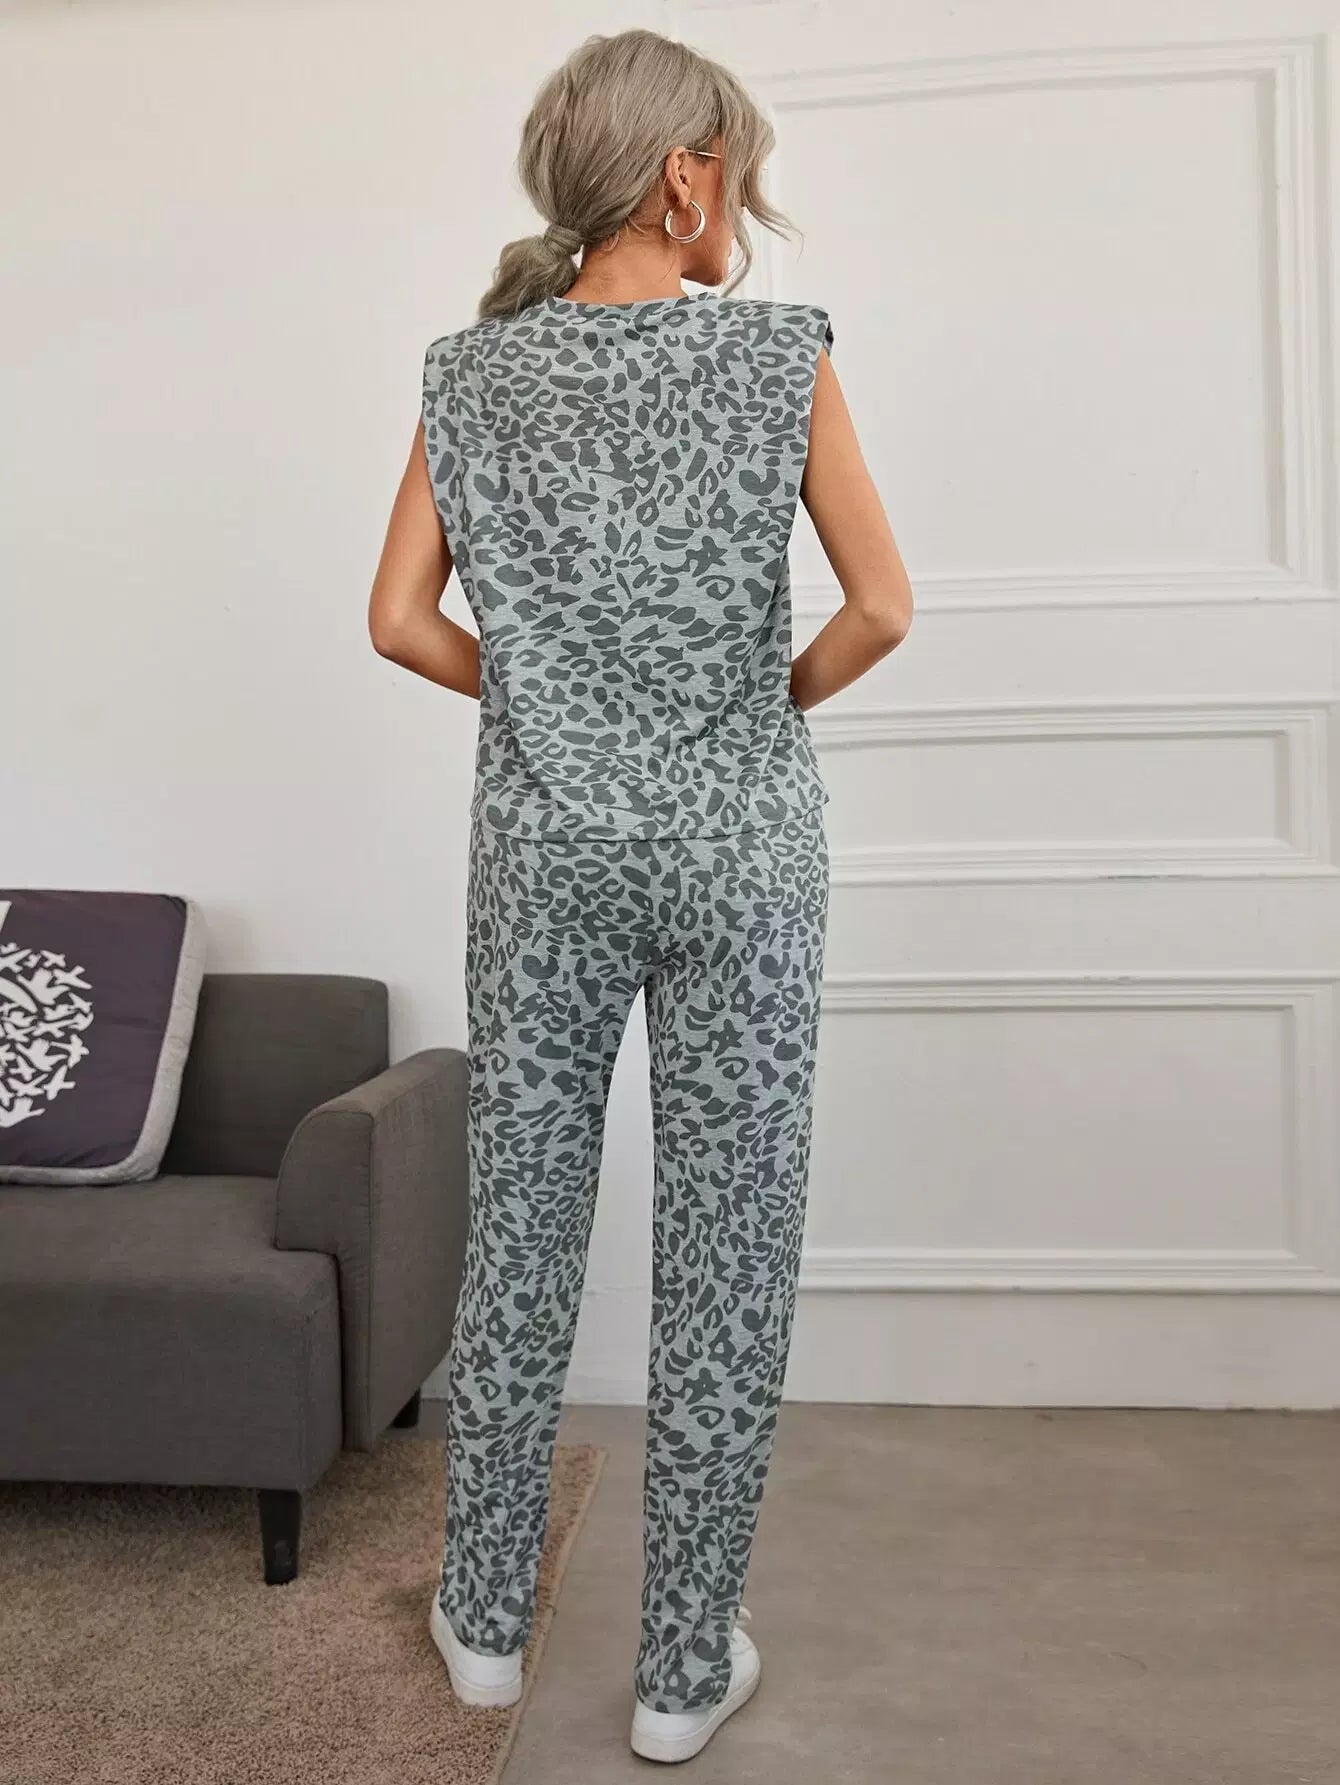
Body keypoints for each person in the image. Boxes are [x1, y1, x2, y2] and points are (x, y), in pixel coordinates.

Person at [367, 25, 912, 1766]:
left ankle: (481, 1625)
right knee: (729, 1246)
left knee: (521, 1221)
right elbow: (883, 607)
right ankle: (681, 1669)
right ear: (685, 175)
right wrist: (754, 709)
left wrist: (548, 695)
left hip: (547, 856)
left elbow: (397, 620)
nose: (743, 197)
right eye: (735, 167)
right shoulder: (776, 358)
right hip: (742, 850)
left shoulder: (472, 374)